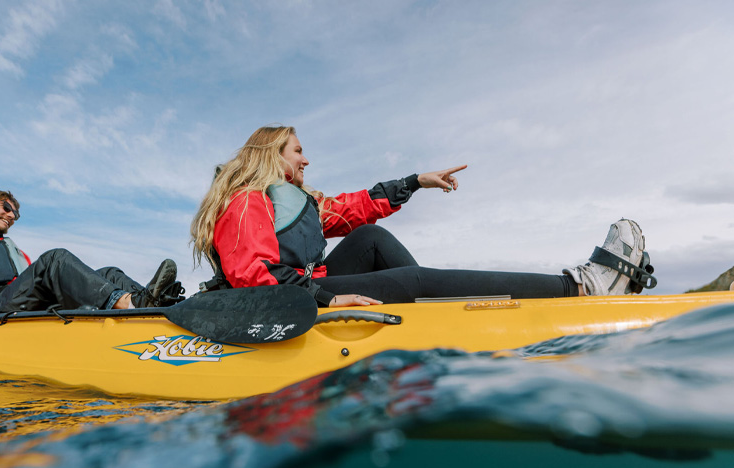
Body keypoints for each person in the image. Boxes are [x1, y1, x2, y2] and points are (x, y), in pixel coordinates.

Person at [190, 125, 656, 307]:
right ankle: (580, 287)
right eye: (298, 151)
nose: (306, 160)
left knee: (370, 235)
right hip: (288, 302)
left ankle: (435, 310)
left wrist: (415, 182)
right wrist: (329, 300)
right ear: (274, 152)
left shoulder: (293, 200)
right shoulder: (249, 199)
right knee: (414, 280)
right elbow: (254, 275)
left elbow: (354, 209)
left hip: (305, 288)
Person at [0, 188, 184, 336]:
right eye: (6, 207)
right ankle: (132, 305)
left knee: (109, 272)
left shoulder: (18, 254)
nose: (12, 215)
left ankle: (157, 309)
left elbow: (30, 289)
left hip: (18, 304)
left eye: (16, 213)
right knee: (55, 260)